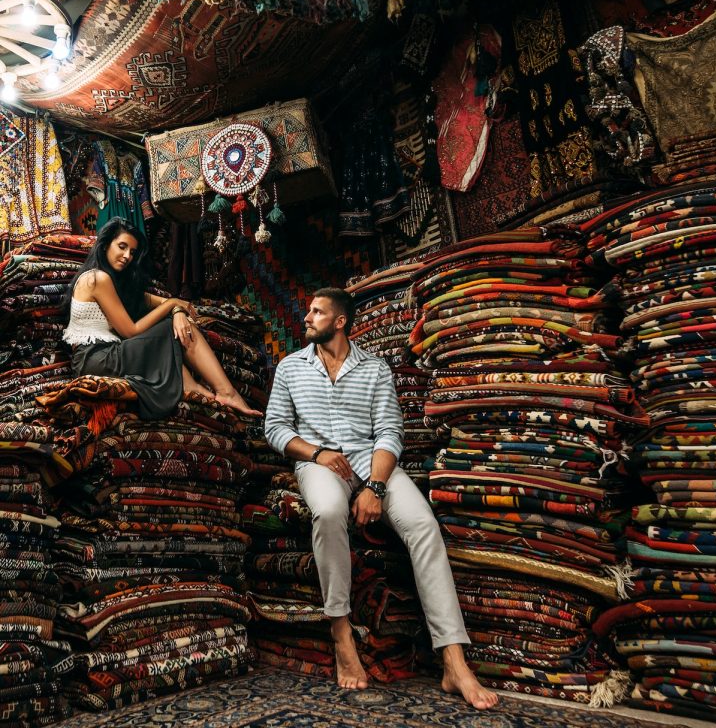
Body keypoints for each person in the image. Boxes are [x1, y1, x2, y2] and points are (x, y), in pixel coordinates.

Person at [265, 286, 498, 710]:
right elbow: (276, 428)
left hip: (373, 464)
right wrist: (318, 453)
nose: (306, 318)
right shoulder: (290, 368)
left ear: (339, 322)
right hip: (319, 464)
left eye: (316, 312)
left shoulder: (374, 369)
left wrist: (374, 486)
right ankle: (340, 630)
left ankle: (453, 660)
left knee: (424, 526)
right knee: (330, 510)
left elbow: (390, 432)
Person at [63, 216, 262, 420]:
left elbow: (158, 301)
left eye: (132, 252)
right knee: (168, 328)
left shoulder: (115, 283)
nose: (126, 256)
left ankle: (195, 389)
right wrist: (172, 305)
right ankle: (225, 392)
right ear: (105, 245)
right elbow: (130, 331)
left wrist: (176, 310)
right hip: (96, 359)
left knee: (171, 324)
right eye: (121, 246)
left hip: (100, 357)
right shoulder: (97, 279)